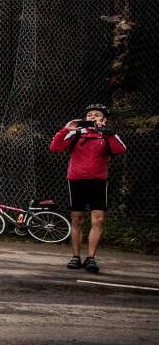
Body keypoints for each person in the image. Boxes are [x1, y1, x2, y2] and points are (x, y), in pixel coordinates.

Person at [49, 103, 127, 273]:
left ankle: (91, 258)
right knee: (77, 219)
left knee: (98, 219)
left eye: (97, 115)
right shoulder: (76, 134)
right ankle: (75, 257)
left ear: (104, 119)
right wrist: (66, 129)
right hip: (76, 181)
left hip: (98, 182)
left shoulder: (108, 135)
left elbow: (120, 150)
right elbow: (54, 148)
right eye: (90, 114)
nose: (92, 117)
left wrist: (106, 133)